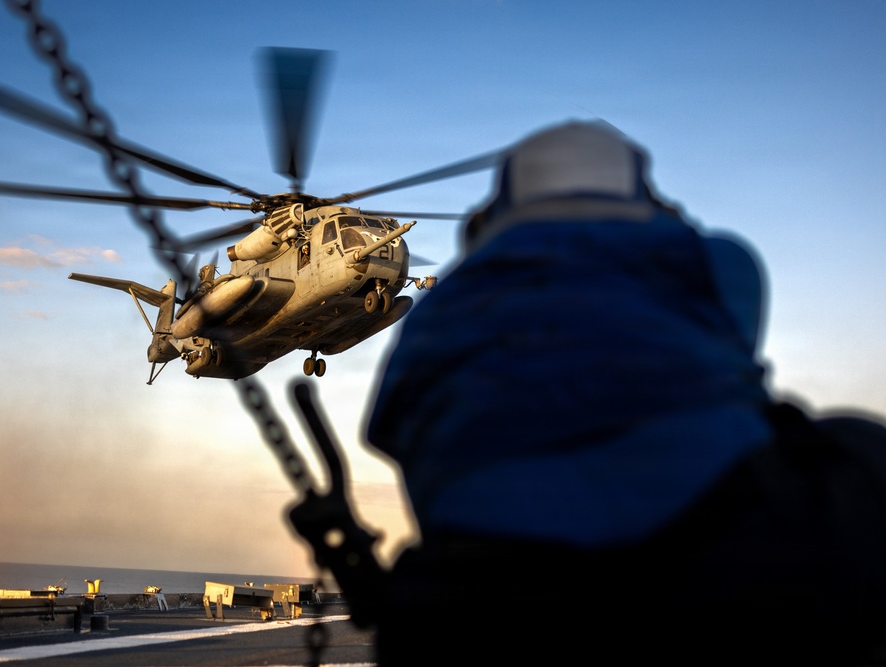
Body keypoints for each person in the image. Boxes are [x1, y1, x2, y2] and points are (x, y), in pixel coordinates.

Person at [365, 120, 886, 665]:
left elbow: (393, 428)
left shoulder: (440, 311)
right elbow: (741, 325)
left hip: (468, 601)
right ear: (641, 196)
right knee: (858, 446)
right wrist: (668, 220)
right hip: (737, 562)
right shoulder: (709, 262)